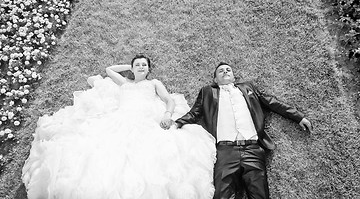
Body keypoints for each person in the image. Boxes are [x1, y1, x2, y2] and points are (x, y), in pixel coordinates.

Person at [22, 55, 216, 199]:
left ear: (149, 69)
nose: (141, 67)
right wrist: (130, 66)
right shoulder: (125, 82)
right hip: (120, 120)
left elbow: (168, 100)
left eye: (144, 65)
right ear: (132, 68)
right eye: (138, 65)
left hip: (147, 121)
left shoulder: (154, 83)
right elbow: (109, 70)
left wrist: (167, 114)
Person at [161, 62, 313, 199]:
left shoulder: (248, 88)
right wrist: (177, 123)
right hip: (225, 151)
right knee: (221, 194)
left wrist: (298, 117)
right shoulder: (207, 92)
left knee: (260, 194)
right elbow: (194, 113)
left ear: (234, 77)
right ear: (215, 79)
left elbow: (272, 102)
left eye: (228, 70)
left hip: (253, 149)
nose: (225, 72)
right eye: (221, 71)